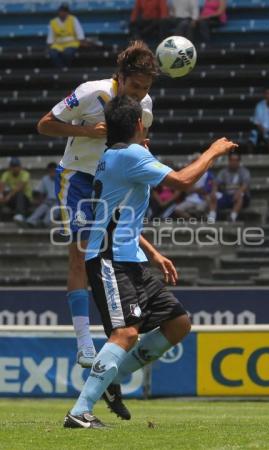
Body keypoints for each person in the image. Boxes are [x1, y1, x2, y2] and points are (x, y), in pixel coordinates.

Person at [63, 95, 237, 429]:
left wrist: (154, 253)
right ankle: (80, 411)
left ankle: (112, 378)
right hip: (110, 258)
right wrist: (213, 151)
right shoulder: (128, 156)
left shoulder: (117, 155)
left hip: (132, 259)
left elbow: (120, 212)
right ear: (139, 124)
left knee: (178, 323)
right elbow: (184, 180)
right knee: (126, 333)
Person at [37, 41, 175, 420]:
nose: (141, 94)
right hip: (79, 177)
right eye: (136, 87)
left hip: (112, 181)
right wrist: (90, 131)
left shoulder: (144, 108)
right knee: (81, 251)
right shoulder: (89, 92)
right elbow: (44, 125)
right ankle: (84, 343)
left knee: (109, 248)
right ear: (121, 77)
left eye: (147, 88)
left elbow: (138, 143)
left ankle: (108, 366)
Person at [210, 152, 250, 223]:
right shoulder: (223, 172)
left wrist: (238, 192)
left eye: (236, 160)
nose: (233, 162)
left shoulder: (244, 171)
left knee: (239, 195)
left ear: (239, 161)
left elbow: (245, 185)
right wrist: (214, 191)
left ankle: (232, 217)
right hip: (227, 195)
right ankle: (211, 218)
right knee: (214, 195)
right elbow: (216, 183)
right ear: (229, 161)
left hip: (241, 196)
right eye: (232, 160)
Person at [47, 3, 85, 68]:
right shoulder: (53, 22)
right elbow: (50, 37)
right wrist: (49, 45)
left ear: (68, 12)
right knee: (53, 54)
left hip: (71, 43)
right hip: (58, 45)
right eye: (61, 11)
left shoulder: (73, 19)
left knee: (67, 54)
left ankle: (68, 68)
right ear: (59, 12)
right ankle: (61, 69)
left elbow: (79, 33)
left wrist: (81, 41)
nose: (63, 13)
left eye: (65, 11)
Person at [0, 157, 32, 223]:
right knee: (3, 194)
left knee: (19, 193)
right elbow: (2, 184)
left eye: (16, 166)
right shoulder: (6, 173)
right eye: (13, 166)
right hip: (13, 199)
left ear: (20, 166)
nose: (15, 168)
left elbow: (20, 187)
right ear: (10, 167)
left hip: (26, 200)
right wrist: (1, 195)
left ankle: (19, 215)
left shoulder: (25, 174)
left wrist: (8, 196)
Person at [26, 162, 57, 228]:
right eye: (50, 171)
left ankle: (44, 223)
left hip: (60, 201)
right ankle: (30, 222)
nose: (52, 172)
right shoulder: (45, 179)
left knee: (52, 209)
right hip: (48, 201)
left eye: (53, 170)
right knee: (42, 207)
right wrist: (39, 200)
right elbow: (39, 191)